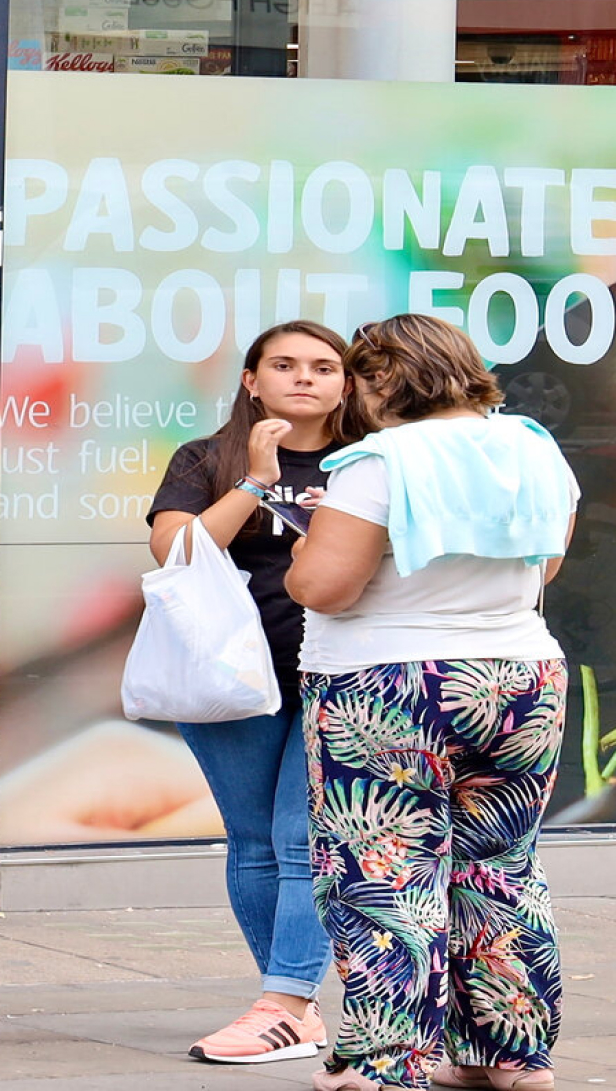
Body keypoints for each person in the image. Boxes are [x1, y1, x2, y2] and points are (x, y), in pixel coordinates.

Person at [285, 314, 581, 1091]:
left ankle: (383, 1063)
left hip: (385, 686)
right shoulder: (533, 448)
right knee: (500, 868)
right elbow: (545, 559)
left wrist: (302, 553)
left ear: (383, 379)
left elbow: (325, 587)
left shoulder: (378, 460)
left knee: (384, 870)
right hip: (521, 679)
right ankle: (509, 1056)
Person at [148, 320, 354, 1067]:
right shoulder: (207, 457)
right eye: (285, 364)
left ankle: (284, 1002)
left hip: (339, 670)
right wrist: (254, 482)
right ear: (250, 379)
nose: (305, 377)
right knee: (254, 841)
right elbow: (175, 550)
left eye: (324, 366)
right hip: (229, 672)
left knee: (304, 841)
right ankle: (289, 1005)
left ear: (346, 382)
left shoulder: (369, 459)